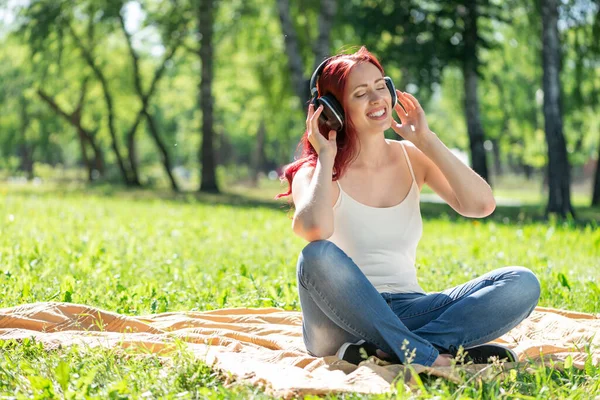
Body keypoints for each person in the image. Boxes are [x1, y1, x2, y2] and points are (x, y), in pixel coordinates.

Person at [275, 46, 540, 367]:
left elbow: (481, 205)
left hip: (411, 310)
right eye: (360, 94)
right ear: (333, 110)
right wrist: (326, 155)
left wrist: (426, 140)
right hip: (336, 323)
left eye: (379, 86)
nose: (377, 99)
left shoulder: (412, 157)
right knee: (316, 255)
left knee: (521, 282)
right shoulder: (315, 171)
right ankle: (434, 352)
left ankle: (396, 351)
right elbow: (316, 230)